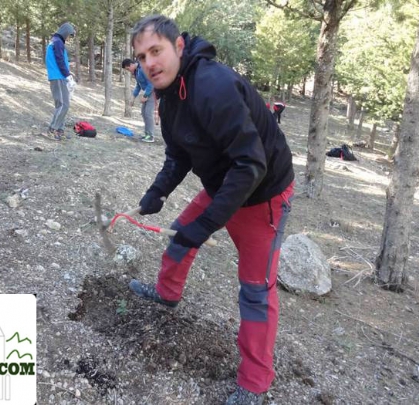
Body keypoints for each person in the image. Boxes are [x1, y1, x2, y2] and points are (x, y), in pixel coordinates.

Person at [126, 15, 295, 405]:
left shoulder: (213, 86)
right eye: (141, 56)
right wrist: (157, 191)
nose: (149, 62)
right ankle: (167, 295)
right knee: (179, 239)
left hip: (263, 194)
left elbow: (252, 165)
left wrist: (205, 224)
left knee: (255, 290)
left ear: (179, 47)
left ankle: (255, 383)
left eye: (157, 51)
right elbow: (178, 154)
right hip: (225, 185)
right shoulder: (167, 96)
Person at [45, 22, 75, 141]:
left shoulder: (55, 41)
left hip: (58, 76)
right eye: (69, 35)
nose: (68, 38)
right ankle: (53, 129)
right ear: (65, 32)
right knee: (63, 104)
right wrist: (66, 74)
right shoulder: (57, 42)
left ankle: (59, 129)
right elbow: (59, 60)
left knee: (61, 104)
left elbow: (59, 59)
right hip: (58, 77)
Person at [122, 58, 155, 143]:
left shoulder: (143, 68)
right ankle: (147, 133)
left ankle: (150, 136)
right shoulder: (136, 72)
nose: (128, 71)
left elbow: (151, 82)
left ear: (131, 65)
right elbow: (138, 85)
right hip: (148, 91)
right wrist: (133, 97)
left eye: (128, 69)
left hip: (153, 91)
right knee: (144, 112)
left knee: (148, 113)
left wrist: (146, 95)